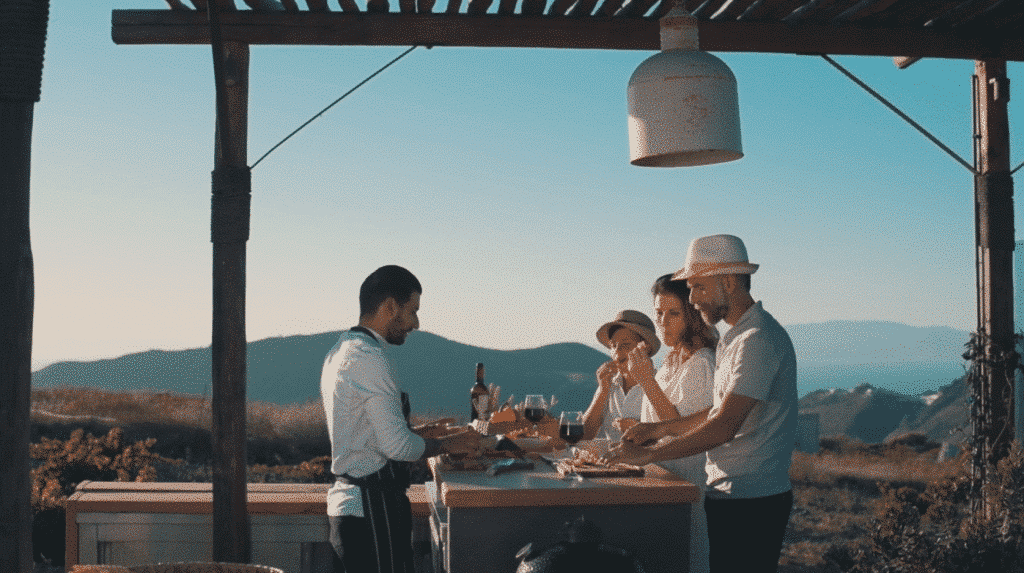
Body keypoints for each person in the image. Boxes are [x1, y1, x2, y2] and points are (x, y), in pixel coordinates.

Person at [606, 235, 798, 573]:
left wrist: (651, 454)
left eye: (698, 287)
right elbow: (715, 411)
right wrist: (659, 428)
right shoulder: (736, 337)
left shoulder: (757, 340)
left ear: (728, 281)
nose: (693, 299)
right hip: (730, 494)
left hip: (753, 500)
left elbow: (725, 425)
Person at [321, 265, 481, 573]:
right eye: (412, 311)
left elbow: (367, 437)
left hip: (354, 509)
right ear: (390, 306)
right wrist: (451, 443)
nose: (416, 323)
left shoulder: (344, 350)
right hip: (370, 512)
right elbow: (397, 448)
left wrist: (421, 431)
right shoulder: (369, 359)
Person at [581, 309, 662, 442]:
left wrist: (642, 432)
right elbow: (584, 435)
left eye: (625, 345)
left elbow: (674, 439)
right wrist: (602, 391)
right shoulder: (609, 383)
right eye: (613, 345)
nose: (617, 352)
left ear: (644, 348)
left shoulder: (660, 383)